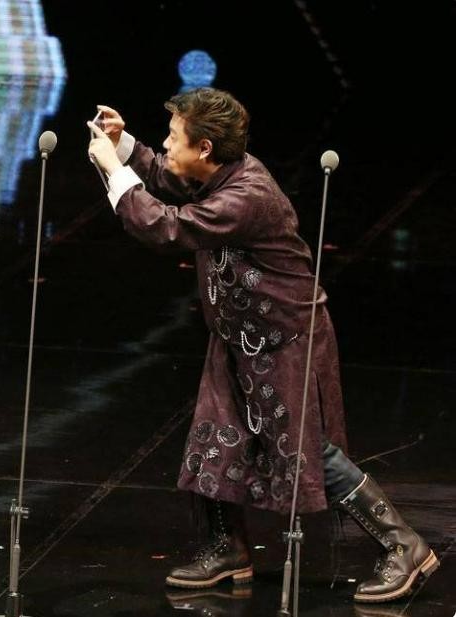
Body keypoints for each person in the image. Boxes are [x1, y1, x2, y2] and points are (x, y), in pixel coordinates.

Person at [87, 88, 438, 604]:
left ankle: (405, 546)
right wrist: (123, 145)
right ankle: (227, 549)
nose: (165, 145)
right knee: (216, 437)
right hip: (238, 335)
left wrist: (113, 170)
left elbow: (167, 228)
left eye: (173, 137)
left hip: (283, 340)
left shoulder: (246, 196)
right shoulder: (216, 174)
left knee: (306, 451)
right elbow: (167, 176)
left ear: (205, 147)